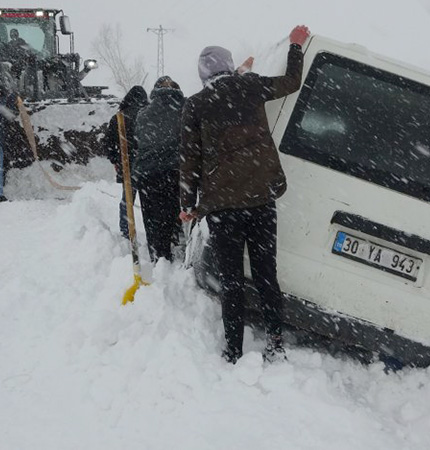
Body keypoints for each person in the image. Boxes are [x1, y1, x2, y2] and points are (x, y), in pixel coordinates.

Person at [179, 25, 310, 364]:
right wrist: (295, 47)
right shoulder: (250, 87)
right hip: (260, 201)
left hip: (223, 209)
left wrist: (187, 204)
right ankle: (276, 342)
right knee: (267, 276)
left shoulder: (196, 105)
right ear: (230, 65)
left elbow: (189, 159)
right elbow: (292, 82)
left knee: (231, 282)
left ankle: (234, 350)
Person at [134, 76, 185, 262]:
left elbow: (138, 139)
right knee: (172, 211)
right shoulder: (185, 109)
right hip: (175, 171)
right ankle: (172, 243)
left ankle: (156, 252)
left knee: (151, 215)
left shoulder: (143, 113)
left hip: (147, 173)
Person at [104, 85, 149, 238]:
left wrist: (115, 160)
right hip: (147, 165)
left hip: (127, 164)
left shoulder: (118, 117)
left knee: (127, 198)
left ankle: (126, 230)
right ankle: (153, 230)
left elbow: (108, 144)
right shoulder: (148, 115)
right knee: (150, 201)